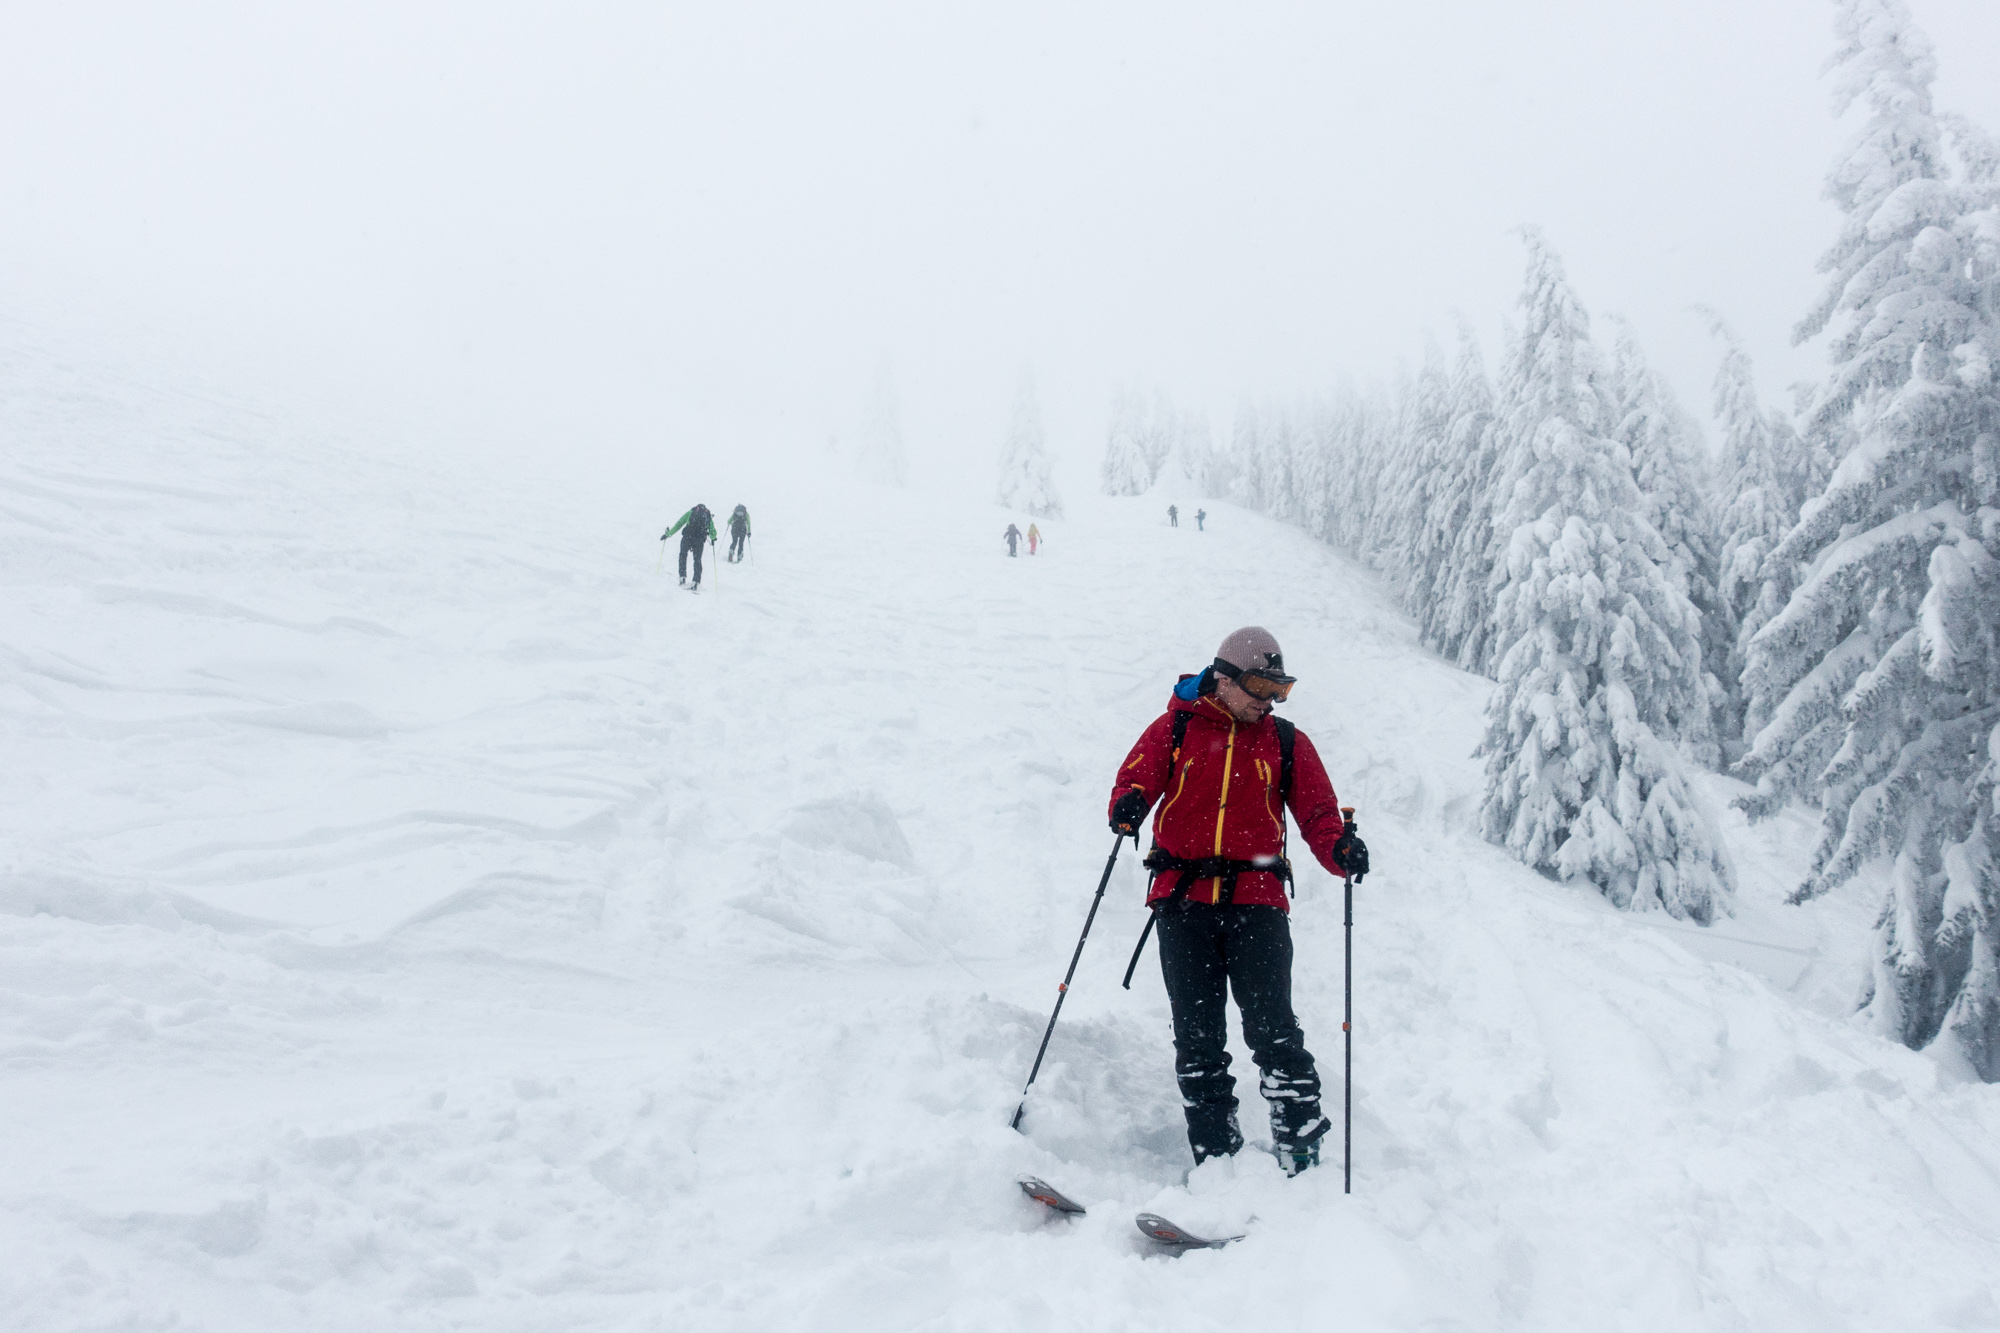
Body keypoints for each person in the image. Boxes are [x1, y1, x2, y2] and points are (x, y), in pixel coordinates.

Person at [1107, 627, 1369, 1176]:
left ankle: (1301, 1155)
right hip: (1182, 904)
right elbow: (1135, 777)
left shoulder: (1286, 742)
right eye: (1259, 685)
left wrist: (1339, 848)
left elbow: (1320, 815)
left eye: (1278, 689)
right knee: (1198, 1040)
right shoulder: (1176, 726)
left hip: (1258, 903)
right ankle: (1218, 1163)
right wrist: (1129, 803)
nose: (1267, 699)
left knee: (1274, 1030)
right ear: (1223, 678)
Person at [661, 503, 719, 589]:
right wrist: (713, 538)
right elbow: (713, 532)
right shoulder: (707, 516)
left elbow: (679, 524)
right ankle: (696, 581)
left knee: (683, 555)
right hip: (699, 540)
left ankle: (682, 577)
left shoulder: (690, 513)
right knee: (697, 560)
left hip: (687, 537)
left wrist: (668, 534)